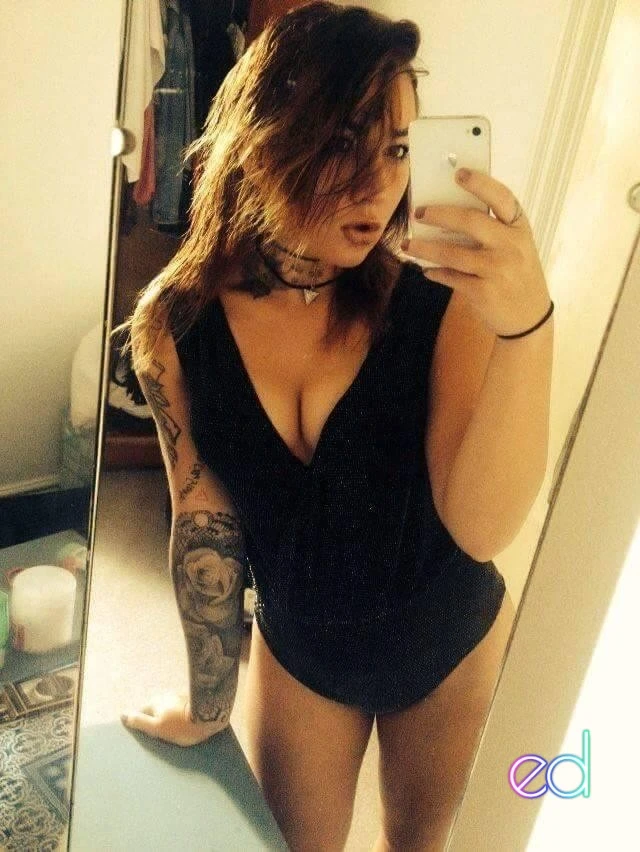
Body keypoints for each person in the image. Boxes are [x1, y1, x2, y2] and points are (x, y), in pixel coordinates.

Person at [115, 3, 554, 849]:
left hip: (449, 643)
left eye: (397, 149)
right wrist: (207, 705)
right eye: (344, 142)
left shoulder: (438, 296)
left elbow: (481, 527)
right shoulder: (175, 324)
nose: (378, 184)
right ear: (264, 141)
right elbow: (204, 521)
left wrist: (527, 329)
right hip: (303, 654)